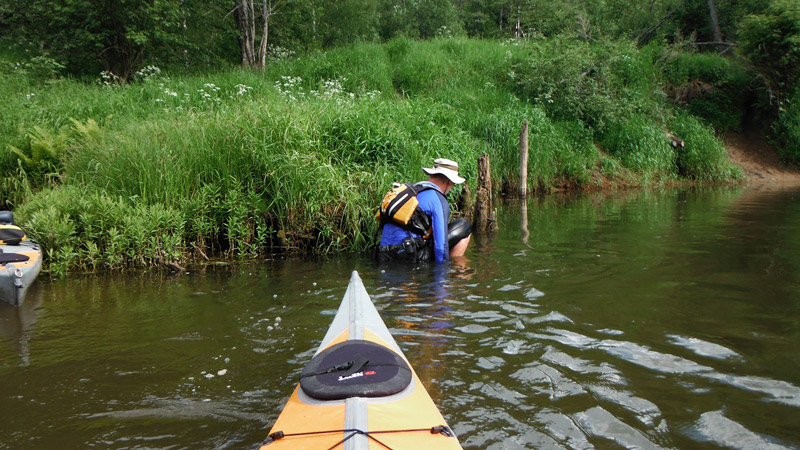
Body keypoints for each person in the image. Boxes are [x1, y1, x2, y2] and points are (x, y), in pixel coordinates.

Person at [377, 158, 472, 263]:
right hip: (408, 256)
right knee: (464, 226)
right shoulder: (438, 199)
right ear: (450, 182)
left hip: (383, 254)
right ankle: (457, 267)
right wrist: (443, 274)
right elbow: (441, 246)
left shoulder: (408, 191)